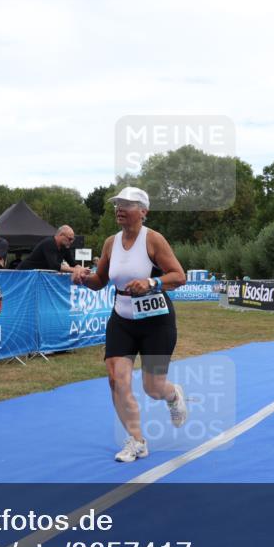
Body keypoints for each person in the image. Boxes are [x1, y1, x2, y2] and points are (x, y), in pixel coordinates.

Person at [72, 186, 188, 463]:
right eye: (117, 204)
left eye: (127, 204)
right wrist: (82, 277)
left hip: (156, 321)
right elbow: (99, 281)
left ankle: (172, 395)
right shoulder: (110, 243)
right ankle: (137, 441)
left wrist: (152, 282)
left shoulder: (153, 239)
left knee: (153, 387)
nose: (120, 209)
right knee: (116, 379)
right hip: (122, 319)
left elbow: (179, 276)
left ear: (143, 211)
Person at [18, 226, 86, 276]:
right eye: (70, 239)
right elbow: (54, 265)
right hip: (24, 273)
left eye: (73, 239)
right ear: (61, 235)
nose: (71, 242)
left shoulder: (65, 247)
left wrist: (83, 270)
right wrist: (75, 270)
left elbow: (73, 263)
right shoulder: (49, 243)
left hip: (36, 275)